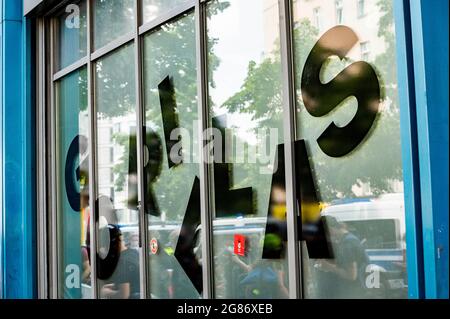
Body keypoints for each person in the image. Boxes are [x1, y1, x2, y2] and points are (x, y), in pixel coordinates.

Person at [314, 216, 369, 299]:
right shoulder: (347, 240)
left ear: (330, 229)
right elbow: (345, 264)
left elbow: (351, 275)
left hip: (351, 292)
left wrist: (329, 267)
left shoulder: (348, 244)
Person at [100, 225, 140, 299]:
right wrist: (115, 285)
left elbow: (123, 295)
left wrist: (106, 292)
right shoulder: (134, 253)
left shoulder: (121, 262)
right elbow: (132, 281)